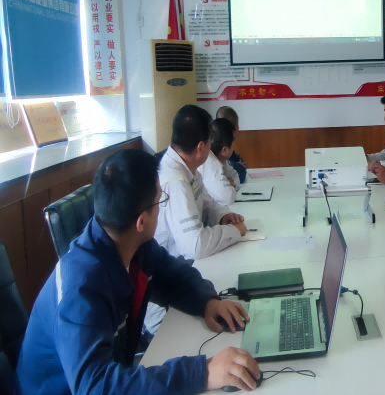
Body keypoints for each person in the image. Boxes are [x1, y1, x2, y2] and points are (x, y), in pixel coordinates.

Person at [14, 150, 261, 394]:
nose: (162, 208)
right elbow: (96, 386)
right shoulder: (80, 288)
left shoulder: (131, 243)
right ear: (141, 221)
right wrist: (203, 373)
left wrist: (207, 301)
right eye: (160, 201)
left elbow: (173, 276)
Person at [147, 105, 246, 333]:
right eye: (210, 143)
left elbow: (207, 204)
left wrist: (224, 217)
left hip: (186, 277)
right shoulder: (174, 181)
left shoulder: (186, 168)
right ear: (201, 147)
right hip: (166, 303)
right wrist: (234, 231)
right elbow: (195, 246)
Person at [198, 118, 238, 206]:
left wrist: (229, 185)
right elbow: (227, 198)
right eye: (234, 140)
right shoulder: (211, 164)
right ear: (224, 149)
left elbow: (236, 179)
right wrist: (229, 184)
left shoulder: (222, 159)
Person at [216, 106, 247, 185]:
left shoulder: (227, 149)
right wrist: (241, 166)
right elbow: (241, 175)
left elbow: (238, 160)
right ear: (236, 128)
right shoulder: (223, 150)